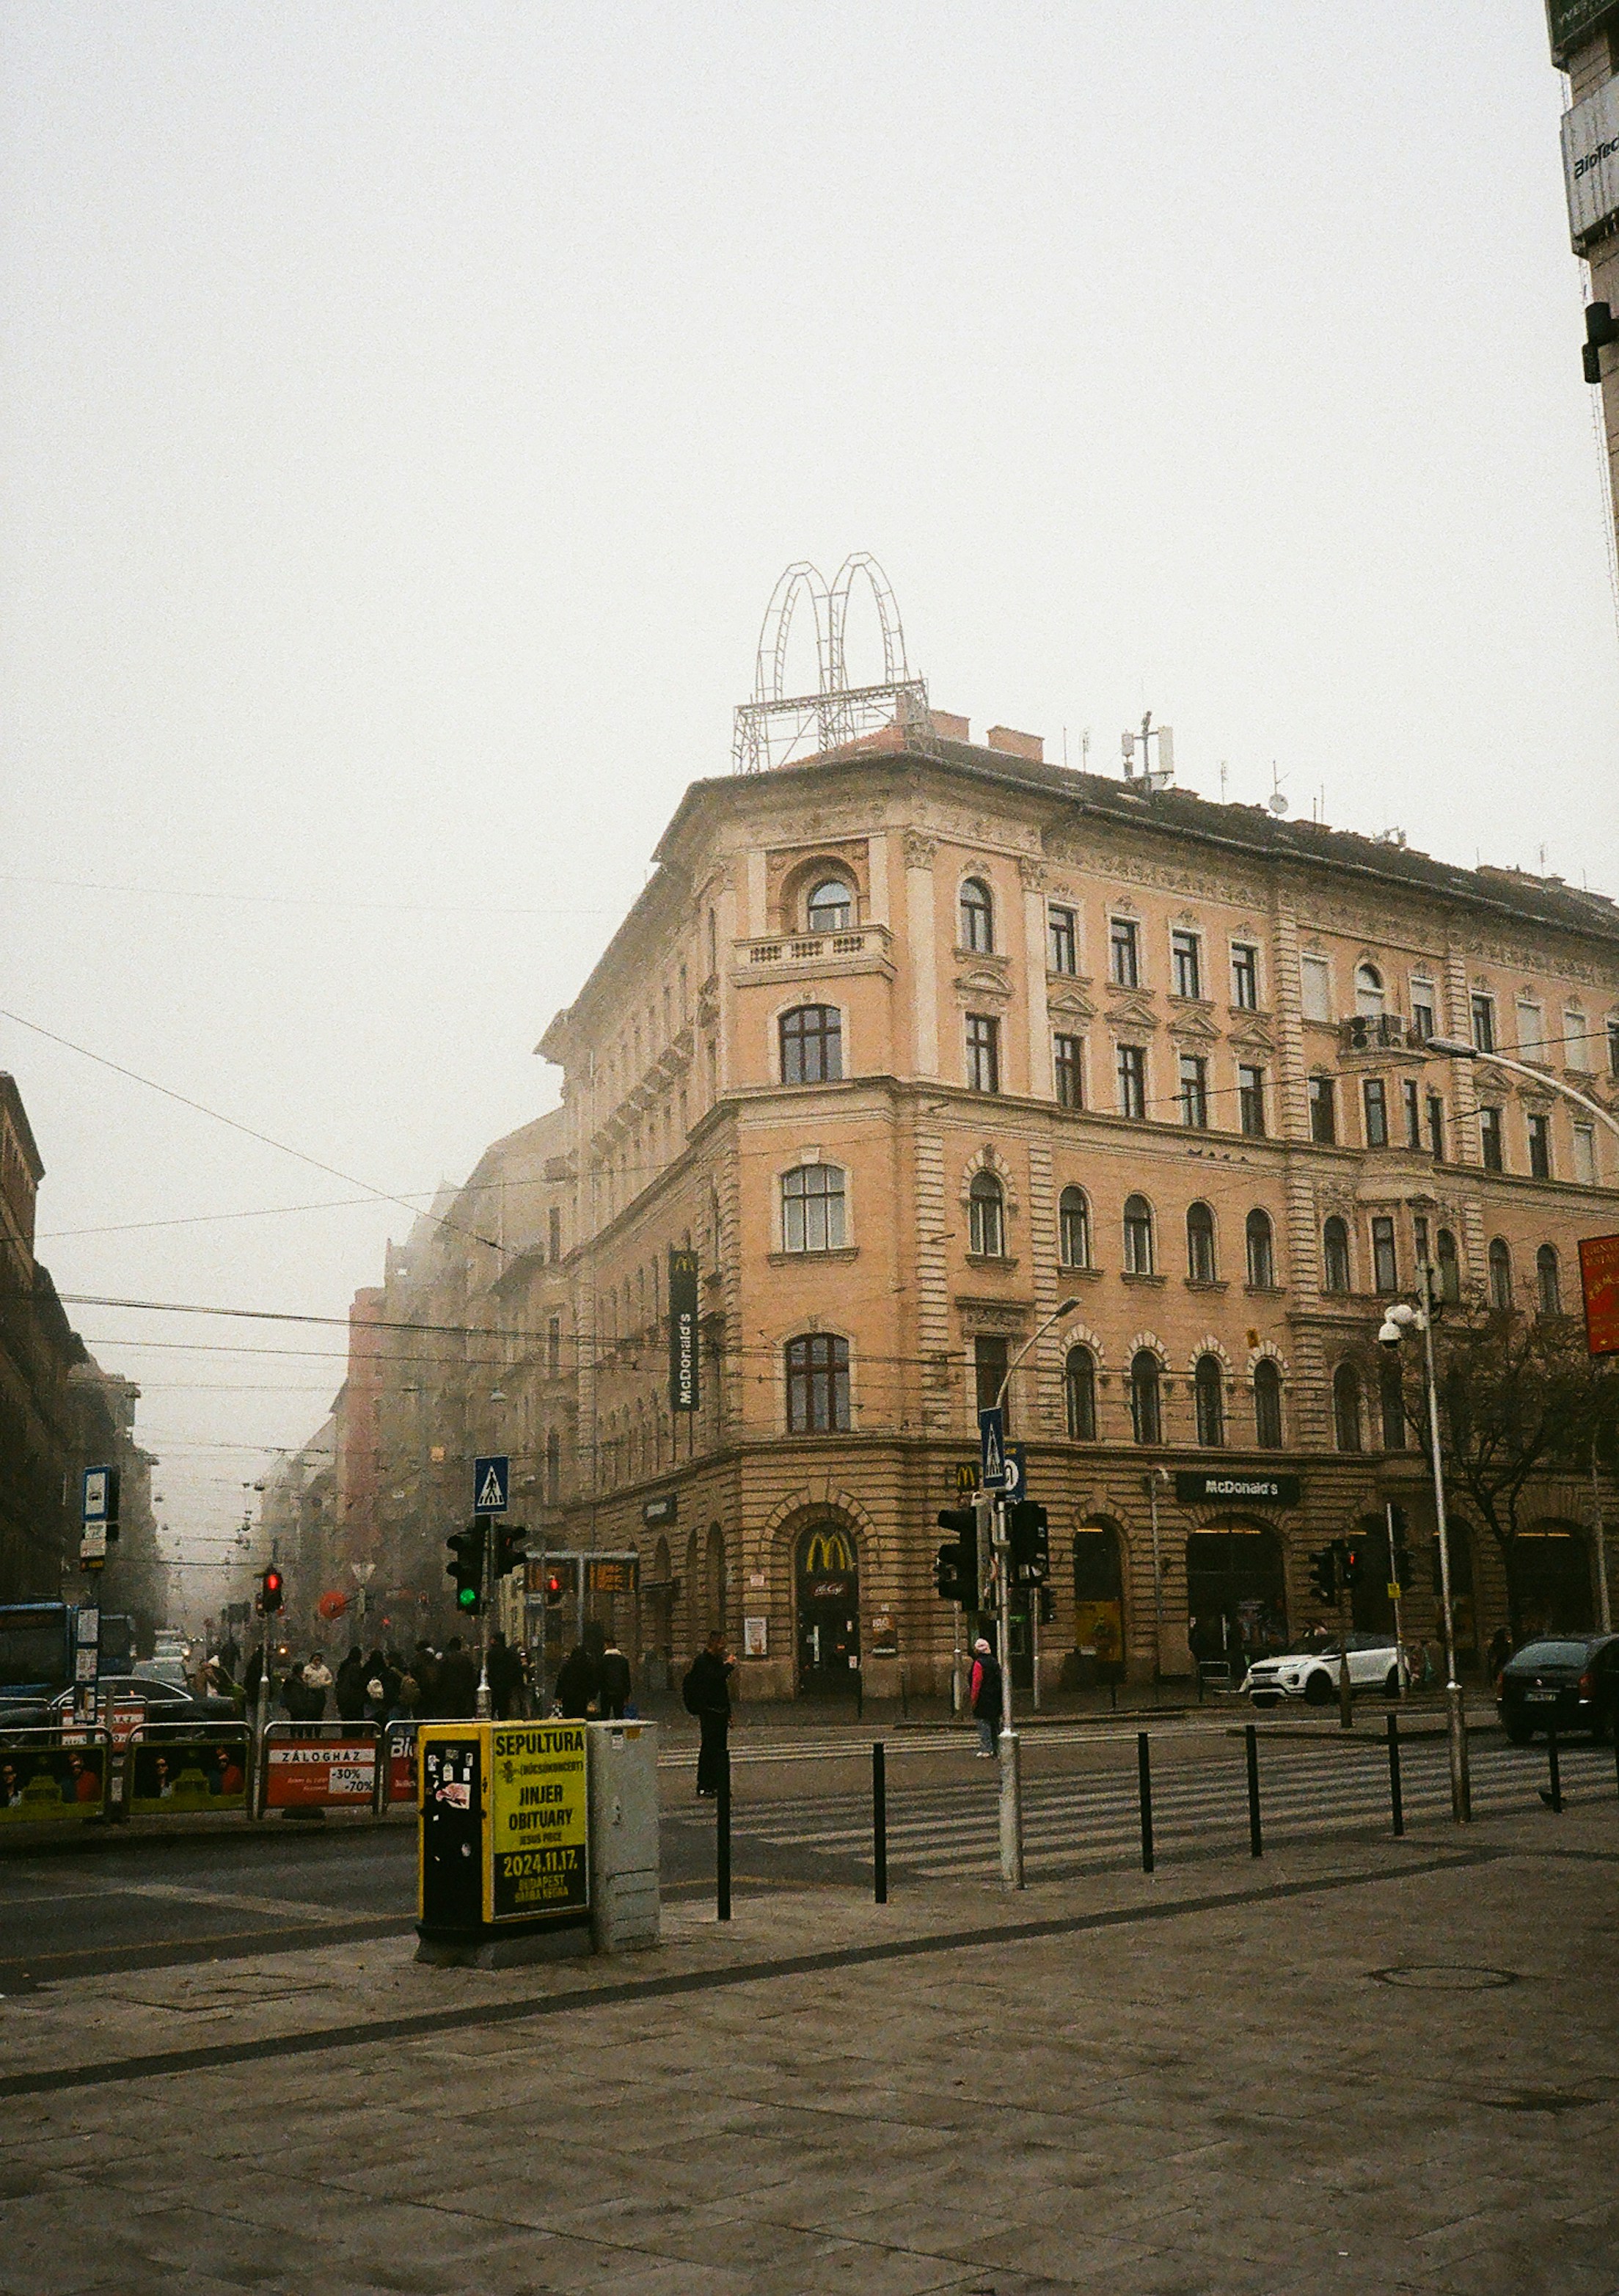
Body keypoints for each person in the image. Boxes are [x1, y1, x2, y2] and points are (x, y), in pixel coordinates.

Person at [682, 1632, 734, 1798]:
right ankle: (704, 1784)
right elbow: (714, 1679)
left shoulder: (716, 1661)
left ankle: (719, 1783)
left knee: (720, 1749)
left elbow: (722, 1690)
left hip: (720, 1710)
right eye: (722, 1644)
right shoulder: (702, 1662)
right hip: (708, 1710)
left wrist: (728, 1712)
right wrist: (729, 1666)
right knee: (709, 1748)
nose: (724, 1647)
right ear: (714, 1643)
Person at [968, 1636, 1001, 1758]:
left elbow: (976, 1683)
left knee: (984, 1725)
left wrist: (973, 1700)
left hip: (983, 1698)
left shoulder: (978, 1663)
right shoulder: (994, 1661)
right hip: (995, 1698)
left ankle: (987, 1749)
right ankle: (997, 1748)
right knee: (995, 1725)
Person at [434, 1637, 478, 1719]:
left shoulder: (444, 1660)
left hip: (448, 1700)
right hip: (464, 1701)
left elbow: (439, 1679)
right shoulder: (466, 1660)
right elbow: (474, 1679)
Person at [555, 1642, 599, 1720]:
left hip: (568, 1697)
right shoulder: (589, 1666)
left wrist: (558, 1696)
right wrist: (592, 1696)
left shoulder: (567, 1666)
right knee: (581, 1716)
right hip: (583, 1697)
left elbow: (561, 1681)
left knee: (569, 1717)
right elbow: (593, 1682)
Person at [487, 1632, 525, 1720]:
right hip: (506, 1686)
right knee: (504, 1709)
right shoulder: (509, 1654)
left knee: (494, 1707)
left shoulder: (491, 1654)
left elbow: (491, 1670)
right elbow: (516, 1669)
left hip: (495, 1685)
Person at [599, 1637, 632, 1721]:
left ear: (608, 1645)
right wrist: (627, 1694)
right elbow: (626, 1678)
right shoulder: (623, 1660)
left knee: (605, 1715)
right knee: (619, 1715)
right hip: (619, 1692)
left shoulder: (602, 1661)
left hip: (605, 1692)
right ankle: (619, 1732)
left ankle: (604, 1732)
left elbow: (599, 1677)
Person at [334, 1646, 368, 1722]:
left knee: (346, 1722)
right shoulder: (355, 1667)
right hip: (354, 1700)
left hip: (343, 1699)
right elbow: (356, 1682)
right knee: (355, 1723)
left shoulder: (344, 1666)